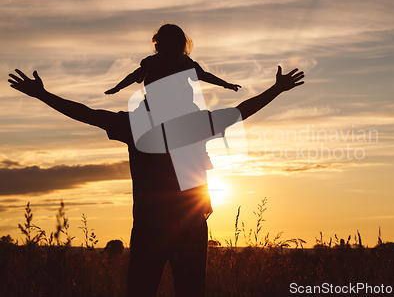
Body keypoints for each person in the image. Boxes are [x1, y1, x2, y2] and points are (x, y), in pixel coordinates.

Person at [8, 65, 304, 296]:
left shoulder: (143, 124)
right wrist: (276, 90)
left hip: (164, 226)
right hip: (175, 227)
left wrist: (43, 95)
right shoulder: (182, 123)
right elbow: (240, 112)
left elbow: (87, 114)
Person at [104, 24, 241, 95]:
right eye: (167, 45)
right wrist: (118, 88)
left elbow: (204, 76)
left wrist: (226, 84)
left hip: (183, 108)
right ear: (159, 46)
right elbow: (134, 76)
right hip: (155, 106)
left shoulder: (185, 64)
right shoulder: (151, 63)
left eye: (174, 45)